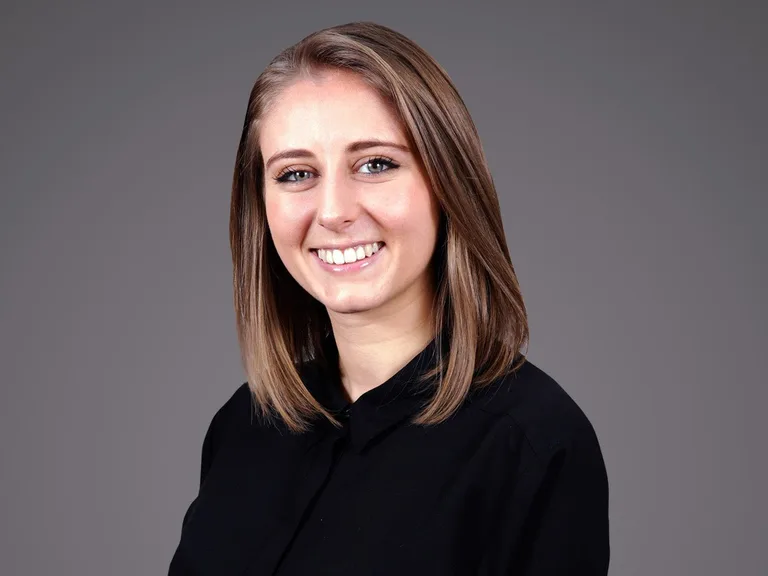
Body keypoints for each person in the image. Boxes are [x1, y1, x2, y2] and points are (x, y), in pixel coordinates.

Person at [168, 21, 609, 575]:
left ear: (448, 182)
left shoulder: (534, 443)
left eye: (375, 164)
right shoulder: (243, 426)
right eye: (296, 173)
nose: (333, 211)